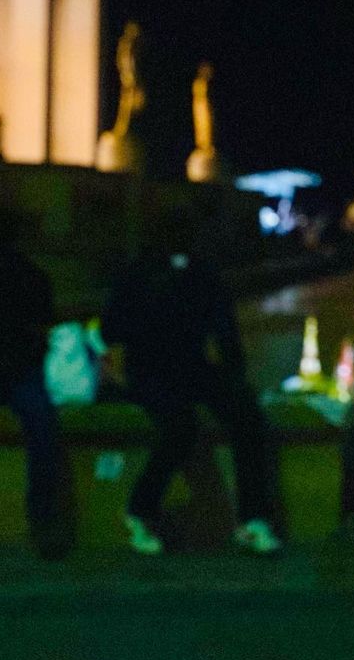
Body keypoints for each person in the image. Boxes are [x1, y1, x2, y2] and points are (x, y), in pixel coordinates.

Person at [101, 210, 281, 555]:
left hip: (158, 370)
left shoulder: (142, 273)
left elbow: (111, 330)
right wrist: (235, 378)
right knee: (192, 426)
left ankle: (144, 511)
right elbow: (226, 335)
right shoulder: (197, 273)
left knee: (231, 420)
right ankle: (247, 518)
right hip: (166, 371)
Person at [0, 208, 68, 560]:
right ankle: (43, 519)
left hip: (17, 368)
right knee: (43, 430)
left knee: (42, 427)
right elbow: (43, 329)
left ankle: (44, 519)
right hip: (21, 370)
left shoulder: (30, 275)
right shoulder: (32, 275)